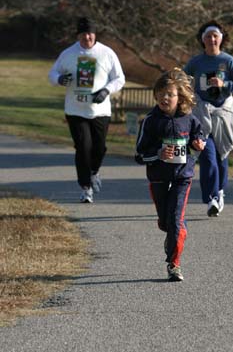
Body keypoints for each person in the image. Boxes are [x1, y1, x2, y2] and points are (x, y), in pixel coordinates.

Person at [135, 68, 205, 282]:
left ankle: (174, 264)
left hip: (182, 176)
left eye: (170, 94)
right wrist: (157, 154)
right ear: (155, 95)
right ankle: (171, 234)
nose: (165, 98)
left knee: (176, 220)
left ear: (180, 97)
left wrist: (198, 143)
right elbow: (139, 155)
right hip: (157, 177)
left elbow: (198, 135)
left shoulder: (189, 118)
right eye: (161, 93)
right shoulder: (150, 121)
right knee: (166, 223)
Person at [49, 17, 125, 203]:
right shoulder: (68, 53)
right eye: (83, 34)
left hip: (100, 110)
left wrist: (106, 90)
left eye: (90, 33)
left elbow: (119, 78)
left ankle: (94, 172)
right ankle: (86, 188)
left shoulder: (106, 53)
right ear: (78, 35)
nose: (87, 37)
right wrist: (60, 79)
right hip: (75, 110)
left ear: (95, 34)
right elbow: (53, 73)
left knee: (99, 148)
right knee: (83, 148)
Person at [184, 20, 233, 217]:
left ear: (221, 38)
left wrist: (224, 83)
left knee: (221, 156)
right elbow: (183, 81)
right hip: (202, 114)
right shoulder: (196, 62)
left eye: (215, 36)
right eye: (208, 36)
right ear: (203, 40)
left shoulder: (229, 61)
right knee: (207, 155)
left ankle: (219, 192)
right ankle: (211, 198)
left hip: (224, 114)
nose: (212, 39)